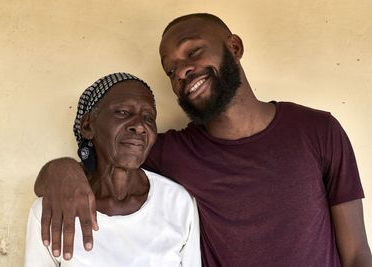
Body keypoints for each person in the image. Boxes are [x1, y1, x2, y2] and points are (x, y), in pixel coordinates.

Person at [34, 14, 372, 266]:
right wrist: (60, 169)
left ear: (234, 47)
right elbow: (103, 160)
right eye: (170, 70)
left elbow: (357, 253)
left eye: (193, 52)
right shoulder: (171, 151)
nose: (181, 71)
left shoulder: (318, 131)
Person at [25, 73, 201, 266]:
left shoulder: (177, 204)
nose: (140, 126)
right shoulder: (52, 209)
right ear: (87, 125)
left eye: (148, 117)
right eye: (123, 112)